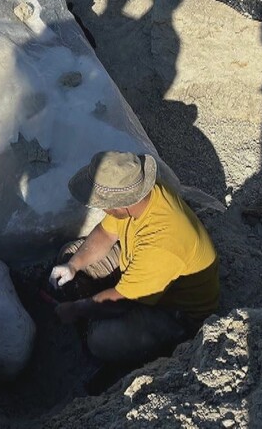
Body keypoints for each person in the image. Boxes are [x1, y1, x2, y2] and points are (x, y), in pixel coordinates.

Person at [49, 151, 219, 373]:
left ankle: (134, 362)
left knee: (101, 339)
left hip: (178, 313)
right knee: (70, 255)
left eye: (103, 205)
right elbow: (106, 233)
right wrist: (73, 265)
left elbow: (122, 300)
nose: (101, 210)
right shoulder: (140, 196)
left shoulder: (162, 243)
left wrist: (75, 310)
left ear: (121, 206)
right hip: (142, 268)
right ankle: (90, 309)